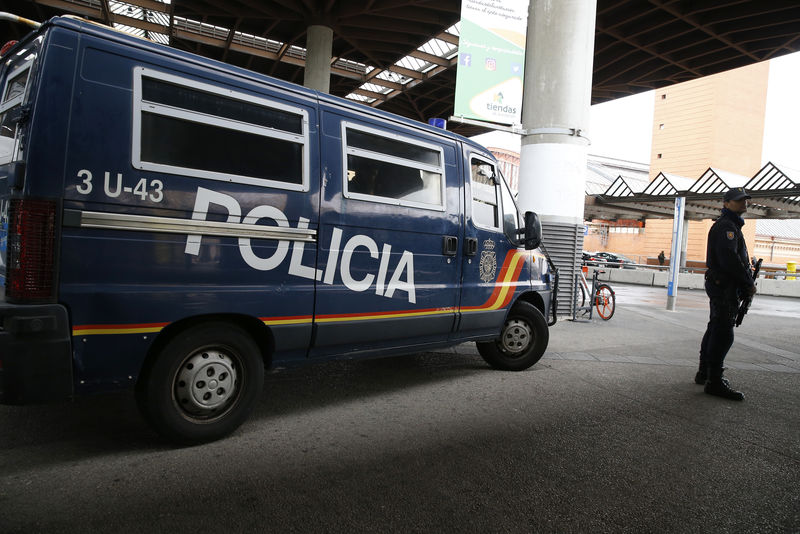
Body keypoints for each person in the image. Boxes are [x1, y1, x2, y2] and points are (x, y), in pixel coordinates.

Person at [697, 187, 756, 400]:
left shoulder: (730, 225)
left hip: (721, 285)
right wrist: (748, 282)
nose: (744, 203)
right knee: (723, 331)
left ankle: (705, 372)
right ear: (726, 203)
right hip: (725, 286)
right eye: (739, 200)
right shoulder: (727, 227)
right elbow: (729, 259)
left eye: (745, 200)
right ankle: (714, 380)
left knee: (715, 327)